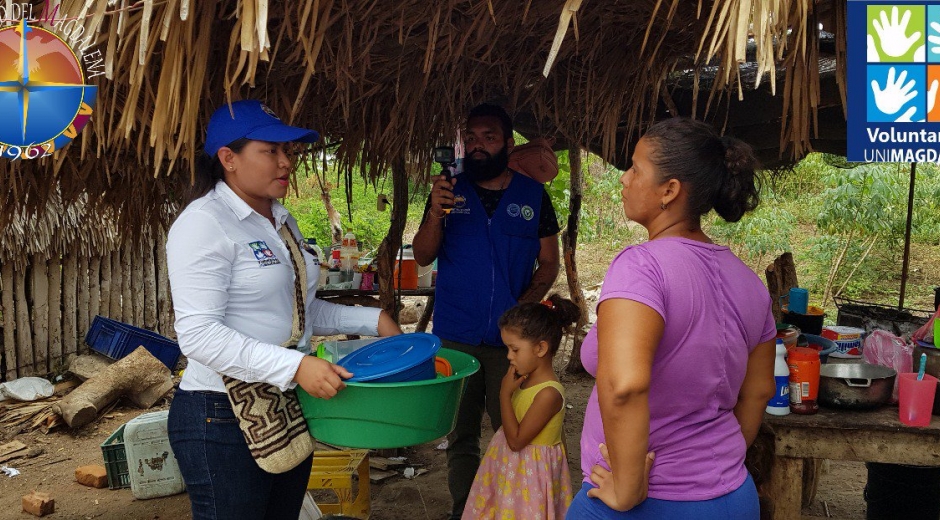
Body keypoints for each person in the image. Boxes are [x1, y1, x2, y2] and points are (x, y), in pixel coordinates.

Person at [165, 99, 401, 520]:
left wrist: (374, 320)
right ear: (228, 158)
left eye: (287, 151)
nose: (285, 162)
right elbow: (198, 335)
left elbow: (300, 313)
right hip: (221, 417)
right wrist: (295, 366)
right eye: (270, 150)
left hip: (284, 407)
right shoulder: (204, 223)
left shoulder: (280, 220)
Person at [567, 117, 777, 519]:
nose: (624, 179)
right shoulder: (748, 283)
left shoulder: (642, 268)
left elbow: (624, 386)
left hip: (646, 502)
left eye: (635, 168)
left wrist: (628, 488)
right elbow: (758, 392)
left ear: (670, 191)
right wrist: (718, 463)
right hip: (733, 497)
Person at [412, 102, 561, 519]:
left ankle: (512, 510)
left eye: (489, 137)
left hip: (510, 346)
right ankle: (467, 512)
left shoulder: (533, 195)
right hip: (455, 338)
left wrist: (522, 311)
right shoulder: (447, 187)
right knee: (460, 438)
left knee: (514, 433)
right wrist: (435, 214)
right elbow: (423, 256)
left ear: (507, 143)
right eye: (471, 138)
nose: (478, 146)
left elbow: (548, 262)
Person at [462, 294, 579, 519]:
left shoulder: (548, 394)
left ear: (541, 348)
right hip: (512, 470)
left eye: (514, 349)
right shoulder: (524, 381)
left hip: (529, 478)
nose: (509, 357)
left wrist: (504, 394)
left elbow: (516, 441)